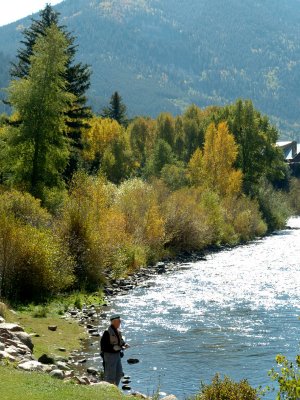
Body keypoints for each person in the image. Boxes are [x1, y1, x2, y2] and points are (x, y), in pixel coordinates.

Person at [100, 314, 129, 386]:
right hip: (109, 356)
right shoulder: (107, 332)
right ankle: (108, 391)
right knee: (110, 376)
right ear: (114, 322)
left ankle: (115, 389)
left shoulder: (117, 331)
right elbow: (103, 347)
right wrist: (113, 348)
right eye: (119, 321)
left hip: (117, 355)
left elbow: (121, 341)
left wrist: (124, 344)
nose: (120, 322)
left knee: (119, 373)